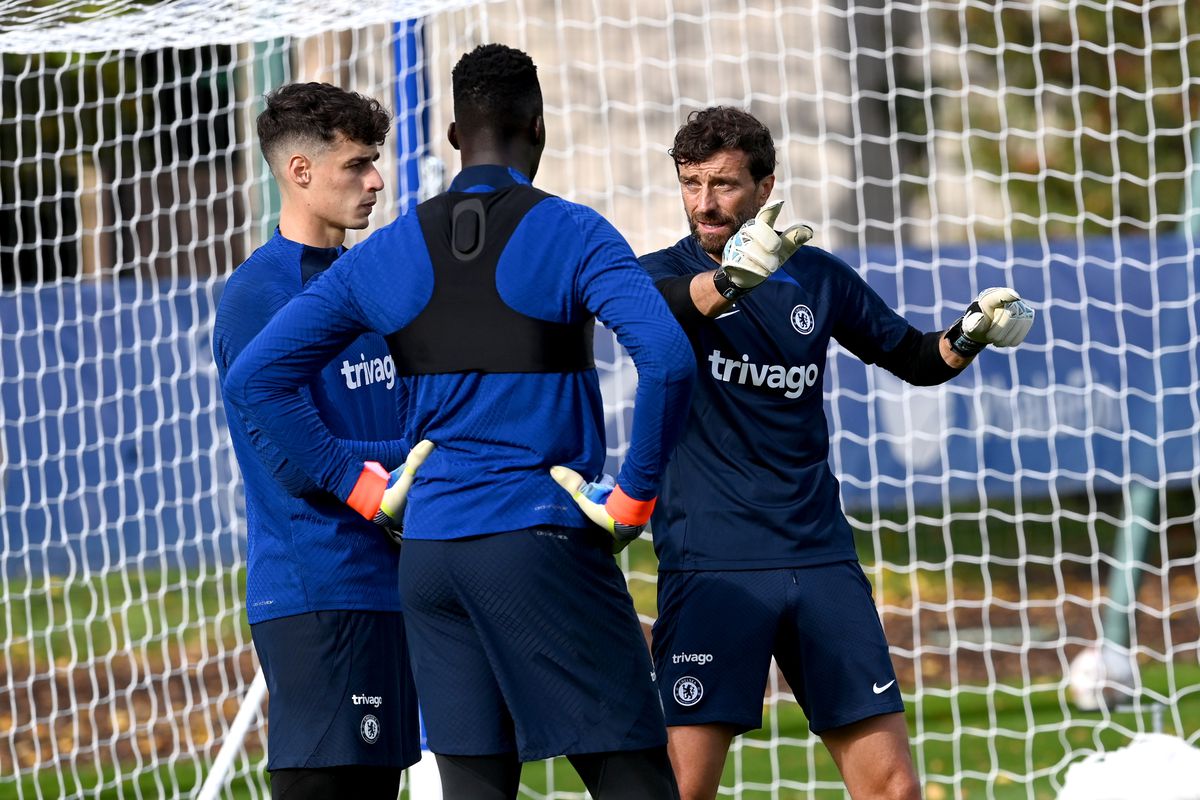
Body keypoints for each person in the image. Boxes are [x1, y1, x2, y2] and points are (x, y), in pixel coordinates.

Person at [222, 45, 696, 799]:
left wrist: (368, 487)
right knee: (633, 775)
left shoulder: (389, 251)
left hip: (429, 563)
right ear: (538, 129)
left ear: (451, 136)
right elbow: (667, 360)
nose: (373, 179)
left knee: (474, 784)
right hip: (534, 540)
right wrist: (633, 500)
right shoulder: (571, 230)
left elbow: (255, 380)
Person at [639, 106, 1035, 800]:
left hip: (819, 557)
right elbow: (647, 310)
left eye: (725, 185)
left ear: (765, 189)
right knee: (679, 789)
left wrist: (970, 332)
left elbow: (914, 356)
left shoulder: (818, 278)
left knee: (893, 787)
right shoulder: (655, 278)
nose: (705, 203)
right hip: (713, 565)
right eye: (692, 183)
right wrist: (731, 281)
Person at [212, 82, 424, 800]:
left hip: (387, 585)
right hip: (318, 589)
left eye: (376, 162)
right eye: (357, 165)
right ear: (300, 172)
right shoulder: (259, 294)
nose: (377, 180)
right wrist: (405, 469)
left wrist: (422, 459)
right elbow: (287, 458)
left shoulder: (376, 284)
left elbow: (410, 420)